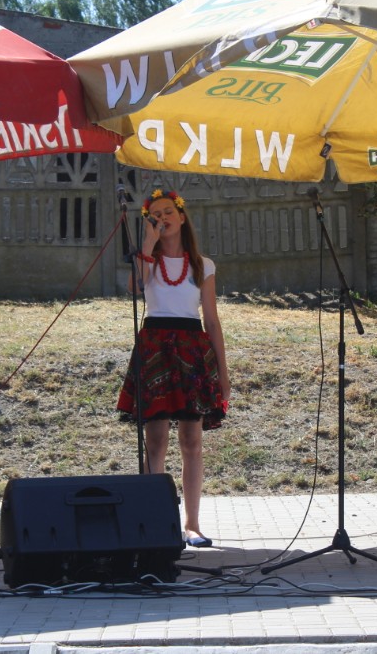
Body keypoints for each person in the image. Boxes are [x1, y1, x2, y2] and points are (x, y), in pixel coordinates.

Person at [117, 189, 231, 548]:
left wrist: (223, 374)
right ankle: (154, 521)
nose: (162, 218)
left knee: (191, 439)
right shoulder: (147, 260)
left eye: (168, 212)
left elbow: (211, 320)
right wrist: (147, 246)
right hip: (155, 346)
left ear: (181, 217)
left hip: (191, 349)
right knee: (155, 439)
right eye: (155, 214)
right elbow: (135, 287)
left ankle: (192, 524)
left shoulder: (203, 265)